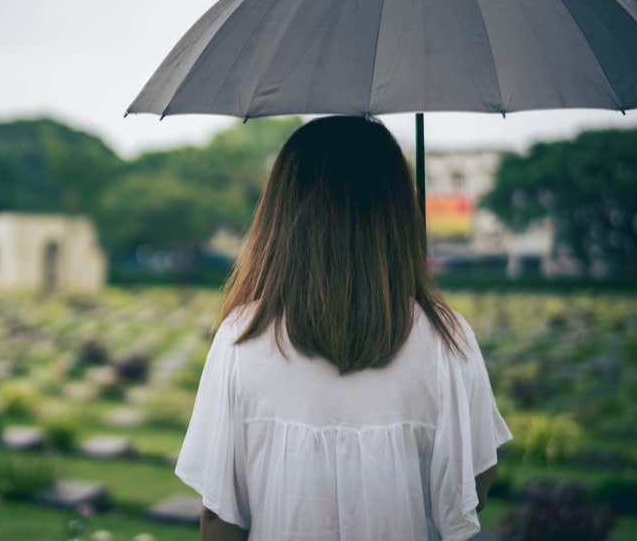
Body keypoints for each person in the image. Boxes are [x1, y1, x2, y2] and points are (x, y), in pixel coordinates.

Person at [175, 116, 512, 541]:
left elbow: (221, 517)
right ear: (395, 210)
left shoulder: (242, 337)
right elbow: (473, 489)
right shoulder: (447, 339)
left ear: (283, 213)